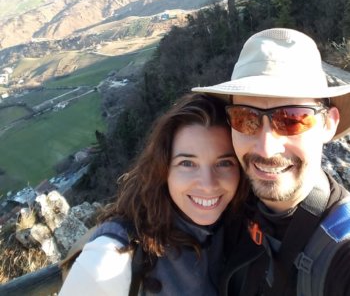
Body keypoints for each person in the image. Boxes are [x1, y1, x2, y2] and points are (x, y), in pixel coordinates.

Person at [193, 28, 350, 295]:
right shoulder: (225, 200)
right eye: (246, 118)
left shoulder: (341, 251)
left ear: (328, 124)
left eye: (292, 119)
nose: (266, 148)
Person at [59, 93, 247, 295]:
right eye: (187, 163)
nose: (208, 184)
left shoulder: (243, 224)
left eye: (224, 163)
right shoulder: (110, 259)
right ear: (163, 169)